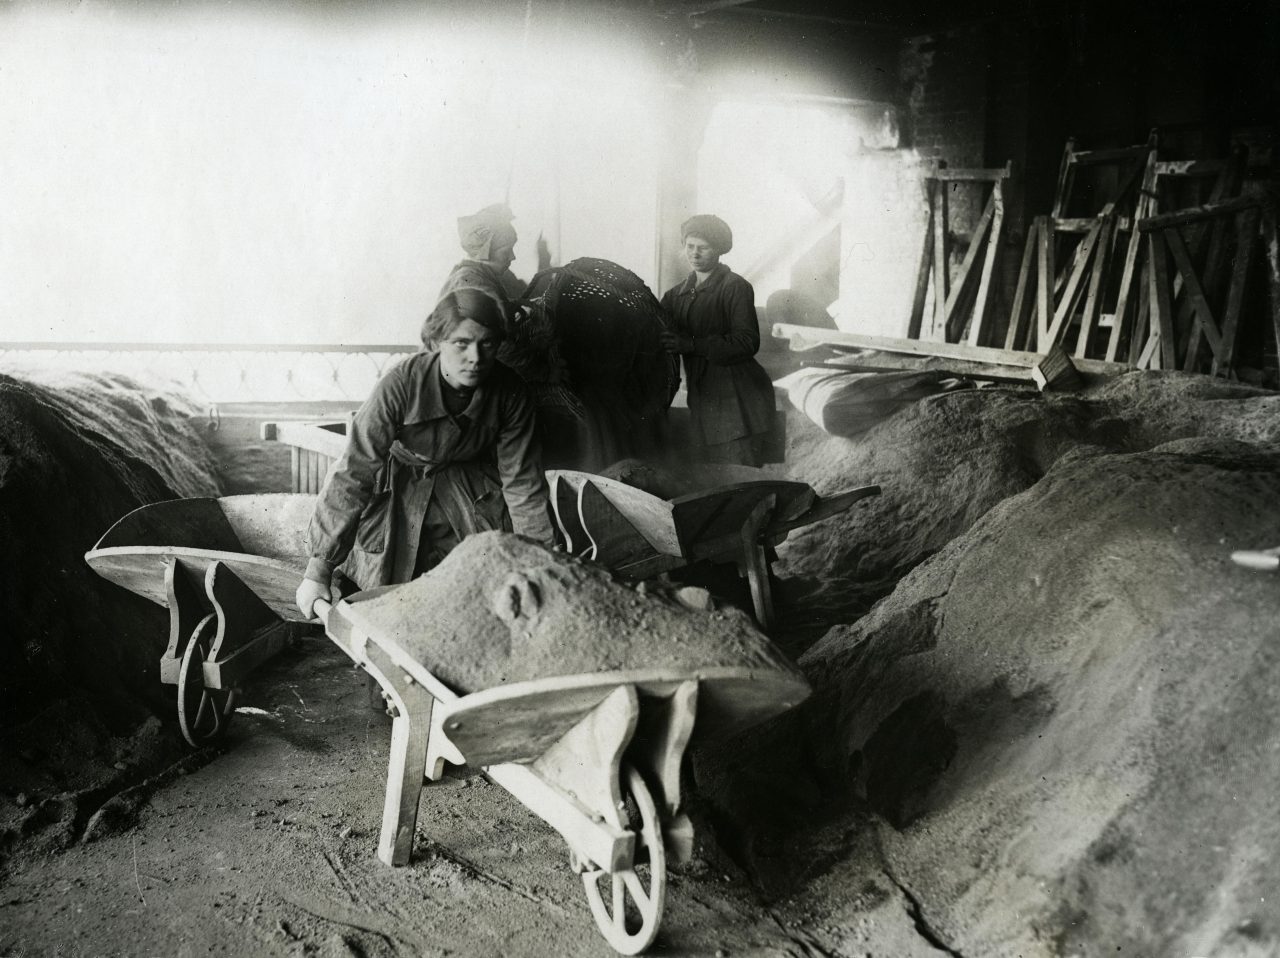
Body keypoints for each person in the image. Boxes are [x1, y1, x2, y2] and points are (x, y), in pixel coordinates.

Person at [295, 286, 554, 618]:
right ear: (437, 341)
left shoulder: (512, 393)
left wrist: (542, 565)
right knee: (386, 586)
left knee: (479, 586)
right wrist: (317, 573)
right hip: (399, 484)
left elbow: (523, 484)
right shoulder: (400, 385)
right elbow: (354, 472)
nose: (476, 357)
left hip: (467, 487)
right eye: (461, 343)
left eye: (487, 343)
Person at [659, 214, 777, 466]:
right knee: (712, 473)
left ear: (719, 250)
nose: (694, 254)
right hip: (704, 398)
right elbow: (656, 330)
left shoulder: (735, 287)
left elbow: (747, 342)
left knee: (739, 471)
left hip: (739, 397)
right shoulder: (675, 295)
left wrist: (691, 345)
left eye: (703, 248)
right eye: (690, 246)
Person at [438, 203, 524, 329]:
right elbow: (485, 329)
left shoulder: (478, 276)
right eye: (506, 252)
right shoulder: (470, 281)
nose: (512, 257)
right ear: (486, 252)